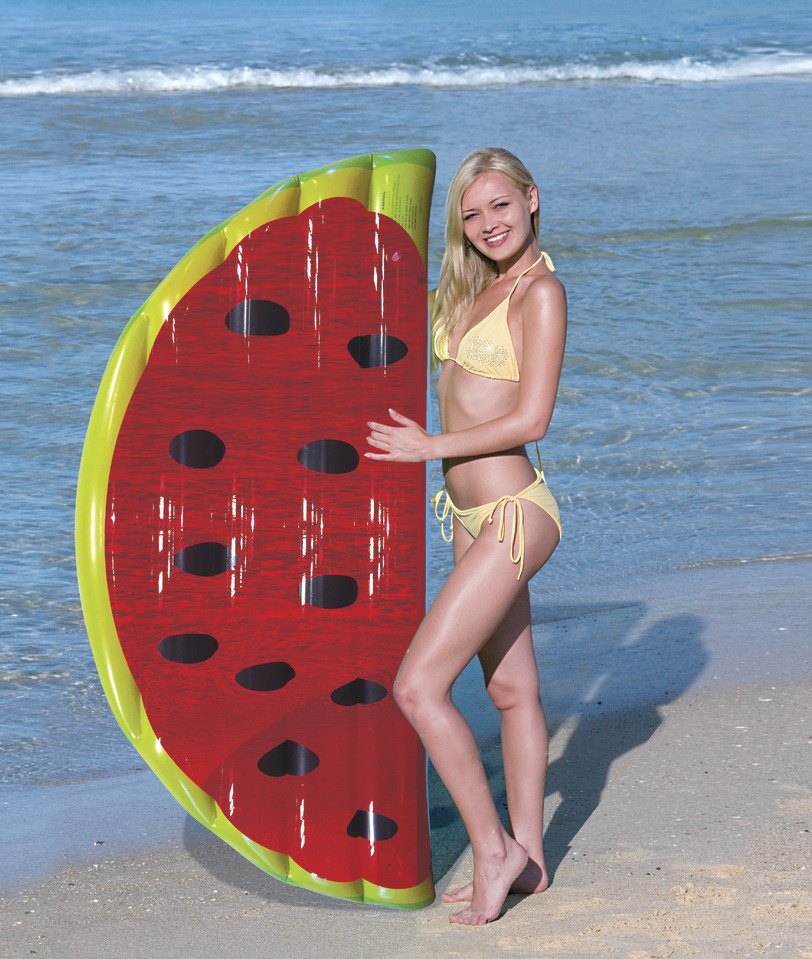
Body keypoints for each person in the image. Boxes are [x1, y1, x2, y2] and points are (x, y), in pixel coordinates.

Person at [365, 147, 567, 925]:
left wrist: (427, 449)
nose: (488, 224)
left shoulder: (541, 292)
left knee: (417, 687)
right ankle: (531, 859)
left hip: (516, 513)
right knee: (512, 690)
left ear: (532, 199)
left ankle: (492, 849)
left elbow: (533, 418)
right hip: (468, 516)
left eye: (501, 207)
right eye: (472, 213)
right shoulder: (469, 292)